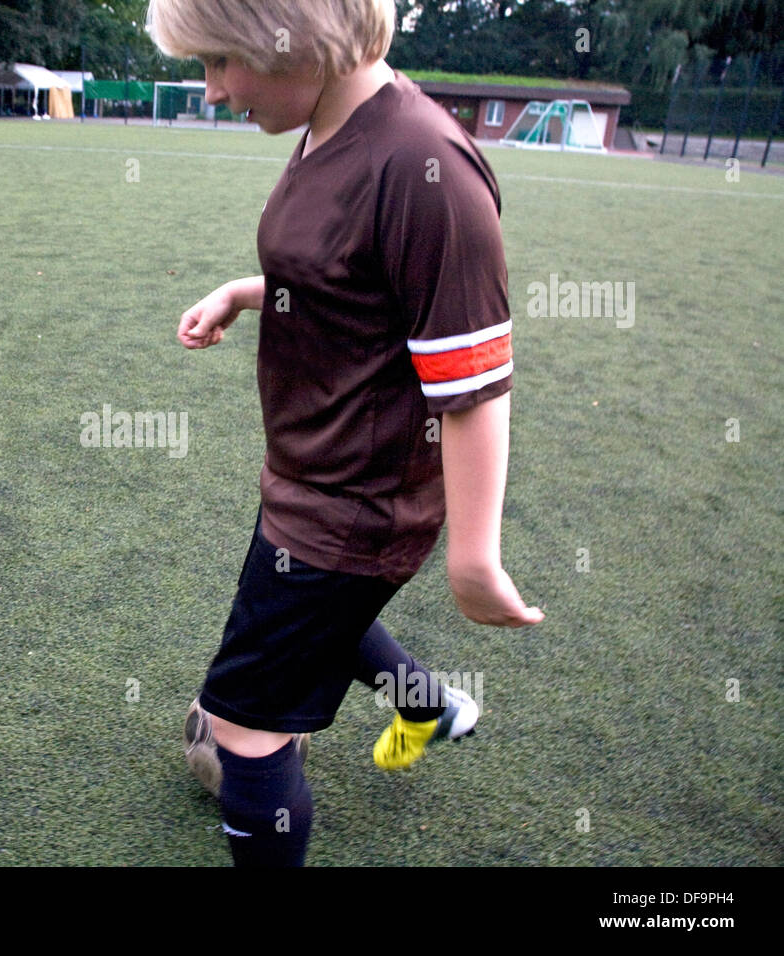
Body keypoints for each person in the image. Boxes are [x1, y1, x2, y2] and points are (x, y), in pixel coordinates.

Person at [145, 0, 545, 867]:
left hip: (353, 505)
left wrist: (475, 557)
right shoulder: (326, 121)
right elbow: (345, 277)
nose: (211, 90)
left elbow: (473, 387)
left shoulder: (424, 164)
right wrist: (247, 291)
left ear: (289, 38)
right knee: (316, 613)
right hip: (309, 472)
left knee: (244, 728)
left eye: (220, 62)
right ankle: (430, 708)